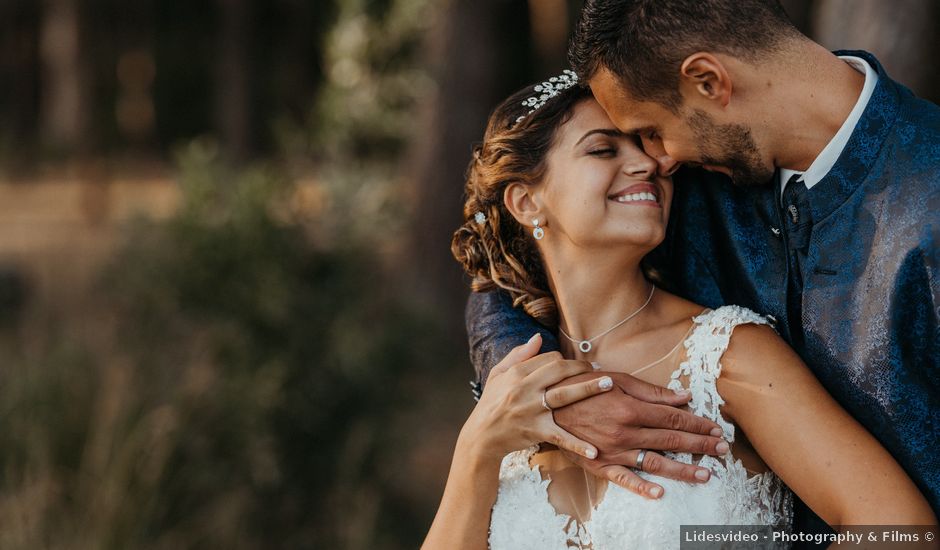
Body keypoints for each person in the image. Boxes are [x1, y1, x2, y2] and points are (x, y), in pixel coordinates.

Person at [466, 0, 940, 538]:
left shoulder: (929, 196)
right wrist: (559, 395)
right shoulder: (698, 183)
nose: (656, 161)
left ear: (708, 82)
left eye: (650, 131)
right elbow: (508, 269)